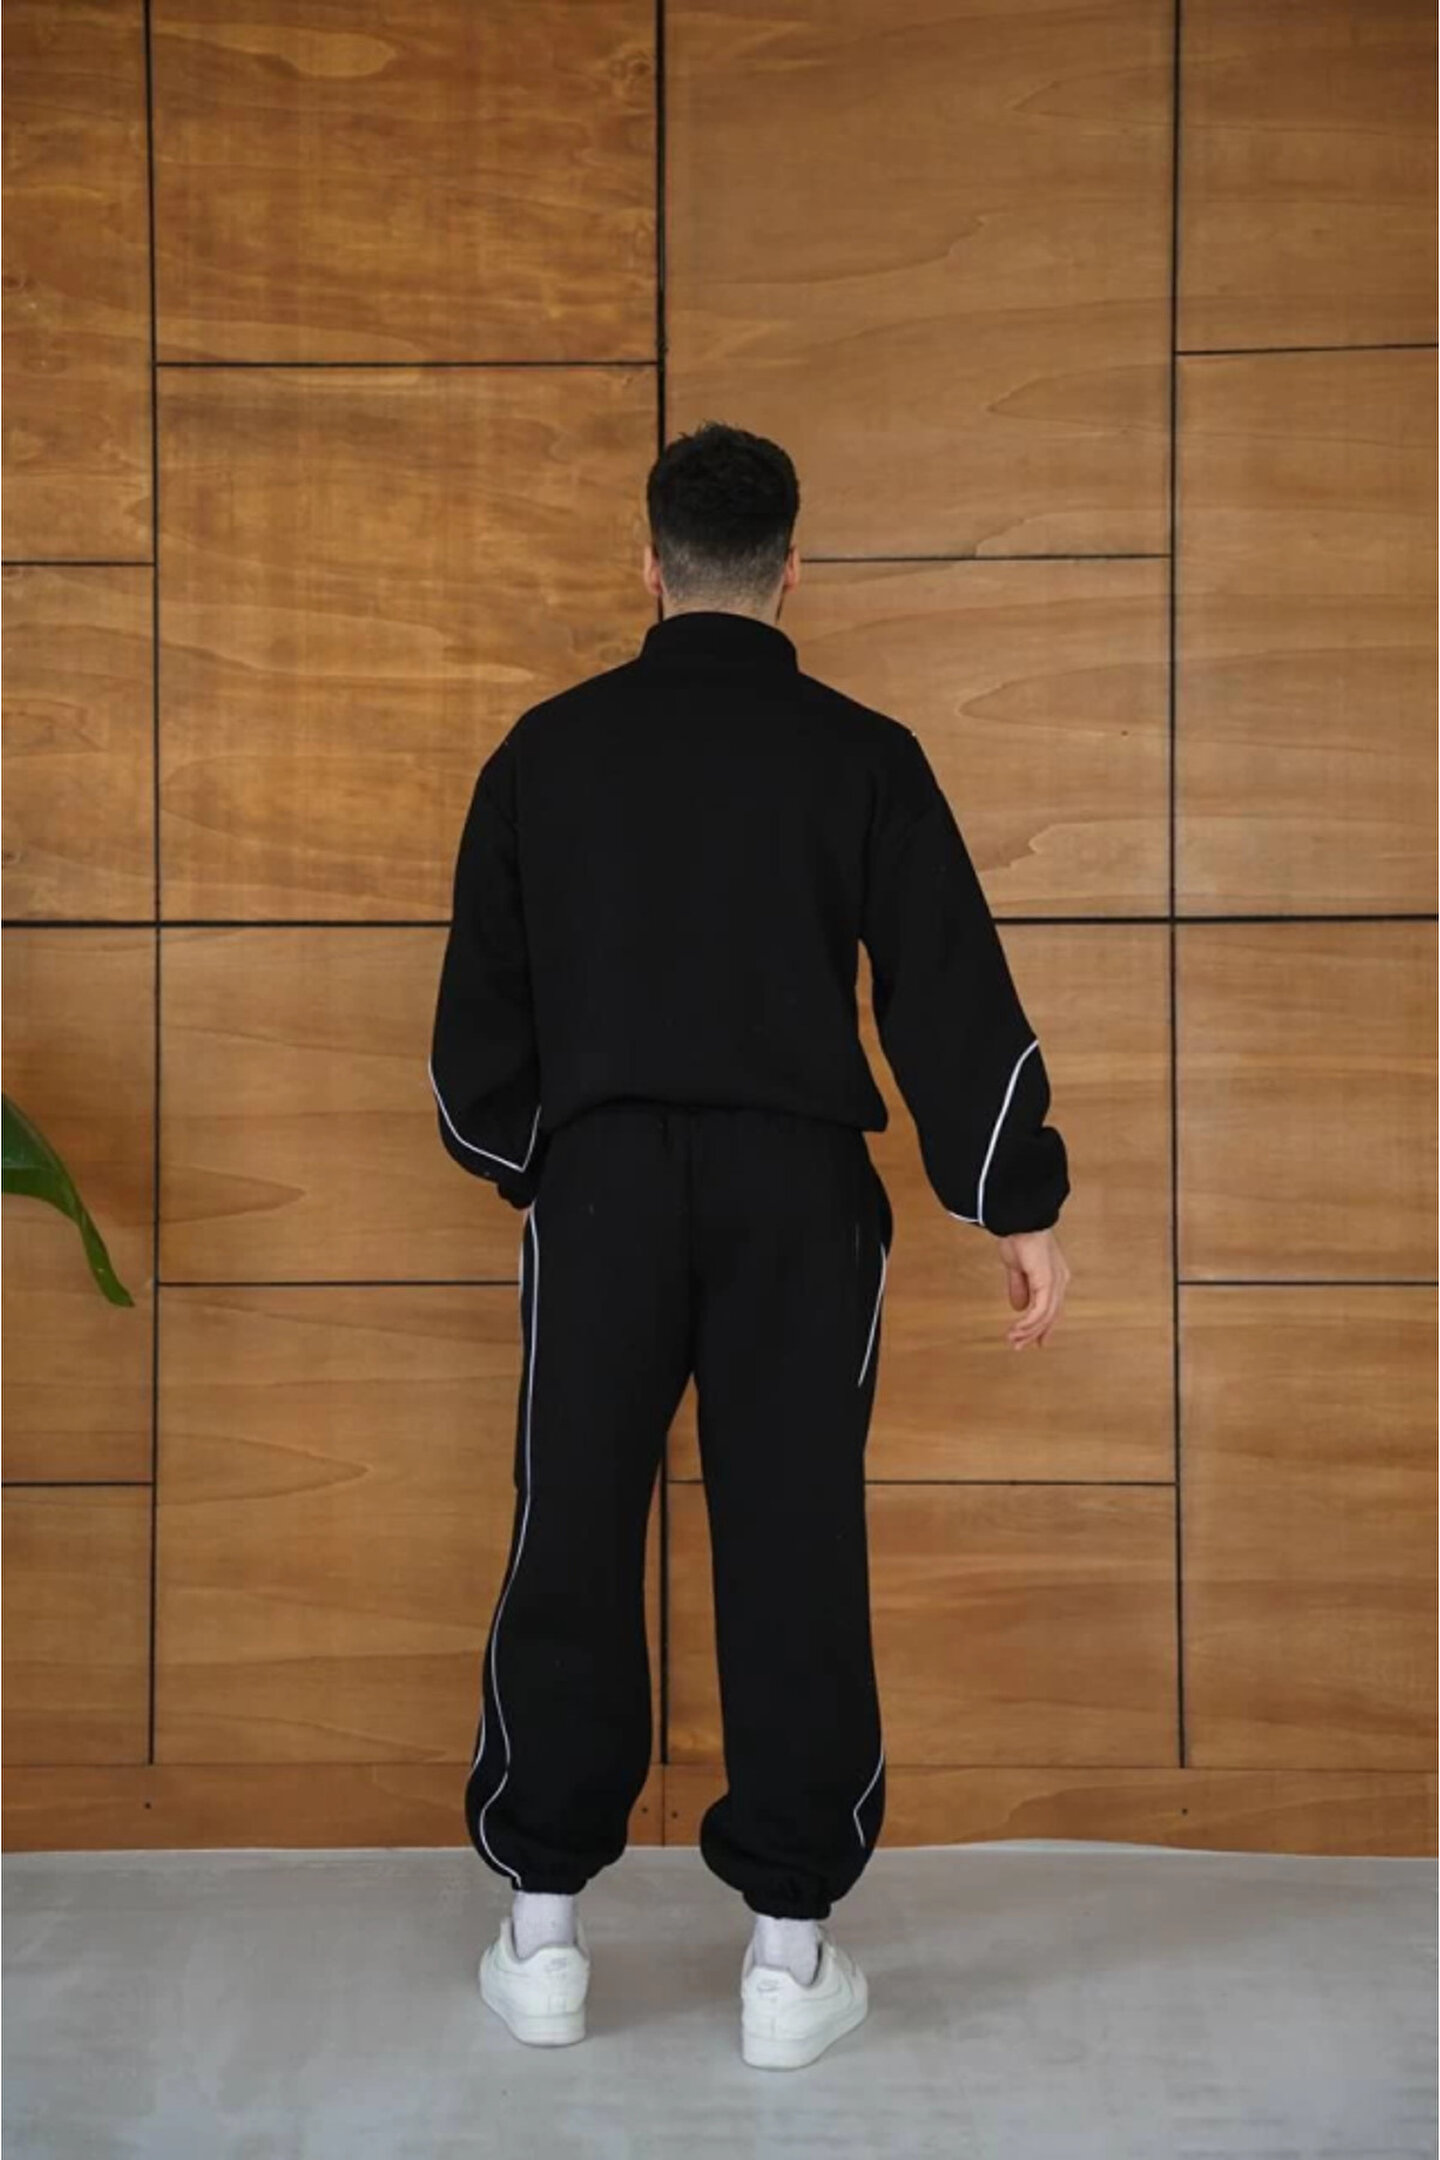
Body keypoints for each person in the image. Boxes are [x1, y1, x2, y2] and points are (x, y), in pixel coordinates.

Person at [429, 421, 1072, 2070]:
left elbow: (479, 1027)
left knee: (572, 1522)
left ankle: (544, 1935)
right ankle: (787, 1959)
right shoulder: (862, 754)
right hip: (799, 1196)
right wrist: (1013, 1200)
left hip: (604, 1187)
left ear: (648, 564)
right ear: (794, 568)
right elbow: (948, 988)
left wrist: (534, 1163)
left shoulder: (547, 751)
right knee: (794, 1534)